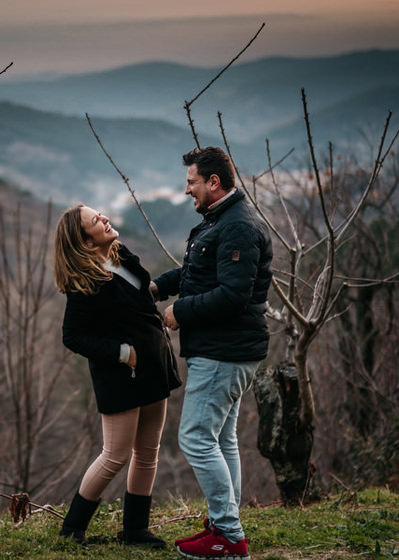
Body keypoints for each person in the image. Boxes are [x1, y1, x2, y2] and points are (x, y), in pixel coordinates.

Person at [150, 147, 272, 559]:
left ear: (213, 183)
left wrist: (179, 312)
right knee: (221, 439)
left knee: (196, 437)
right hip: (230, 350)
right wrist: (157, 287)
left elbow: (233, 295)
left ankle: (228, 536)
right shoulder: (220, 222)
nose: (187, 190)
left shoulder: (237, 226)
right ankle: (224, 525)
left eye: (192, 182)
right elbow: (197, 274)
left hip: (226, 352)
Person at [53, 204, 181, 547]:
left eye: (101, 214)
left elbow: (145, 294)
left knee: (148, 452)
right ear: (83, 239)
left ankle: (135, 531)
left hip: (154, 368)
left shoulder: (119, 255)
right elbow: (72, 336)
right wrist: (122, 353)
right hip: (121, 376)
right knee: (115, 455)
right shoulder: (85, 281)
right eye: (96, 220)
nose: (105, 219)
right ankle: (72, 530)